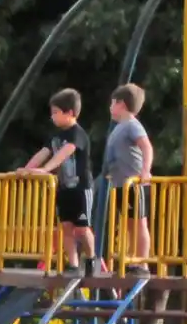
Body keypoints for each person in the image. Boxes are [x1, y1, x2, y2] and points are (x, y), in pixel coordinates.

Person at [20, 88, 95, 272]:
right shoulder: (55, 136)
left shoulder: (77, 134)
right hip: (64, 189)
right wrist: (27, 169)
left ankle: (92, 259)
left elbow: (64, 152)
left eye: (55, 113)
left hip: (81, 188)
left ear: (69, 113)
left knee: (82, 228)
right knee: (66, 226)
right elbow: (44, 152)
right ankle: (73, 264)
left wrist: (45, 169)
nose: (52, 117)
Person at [104, 83, 155, 274]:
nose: (110, 107)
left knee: (139, 221)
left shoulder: (133, 125)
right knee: (128, 223)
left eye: (112, 103)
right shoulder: (119, 128)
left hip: (133, 182)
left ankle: (142, 262)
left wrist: (145, 171)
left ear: (121, 104)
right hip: (120, 183)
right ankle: (133, 259)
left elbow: (147, 147)